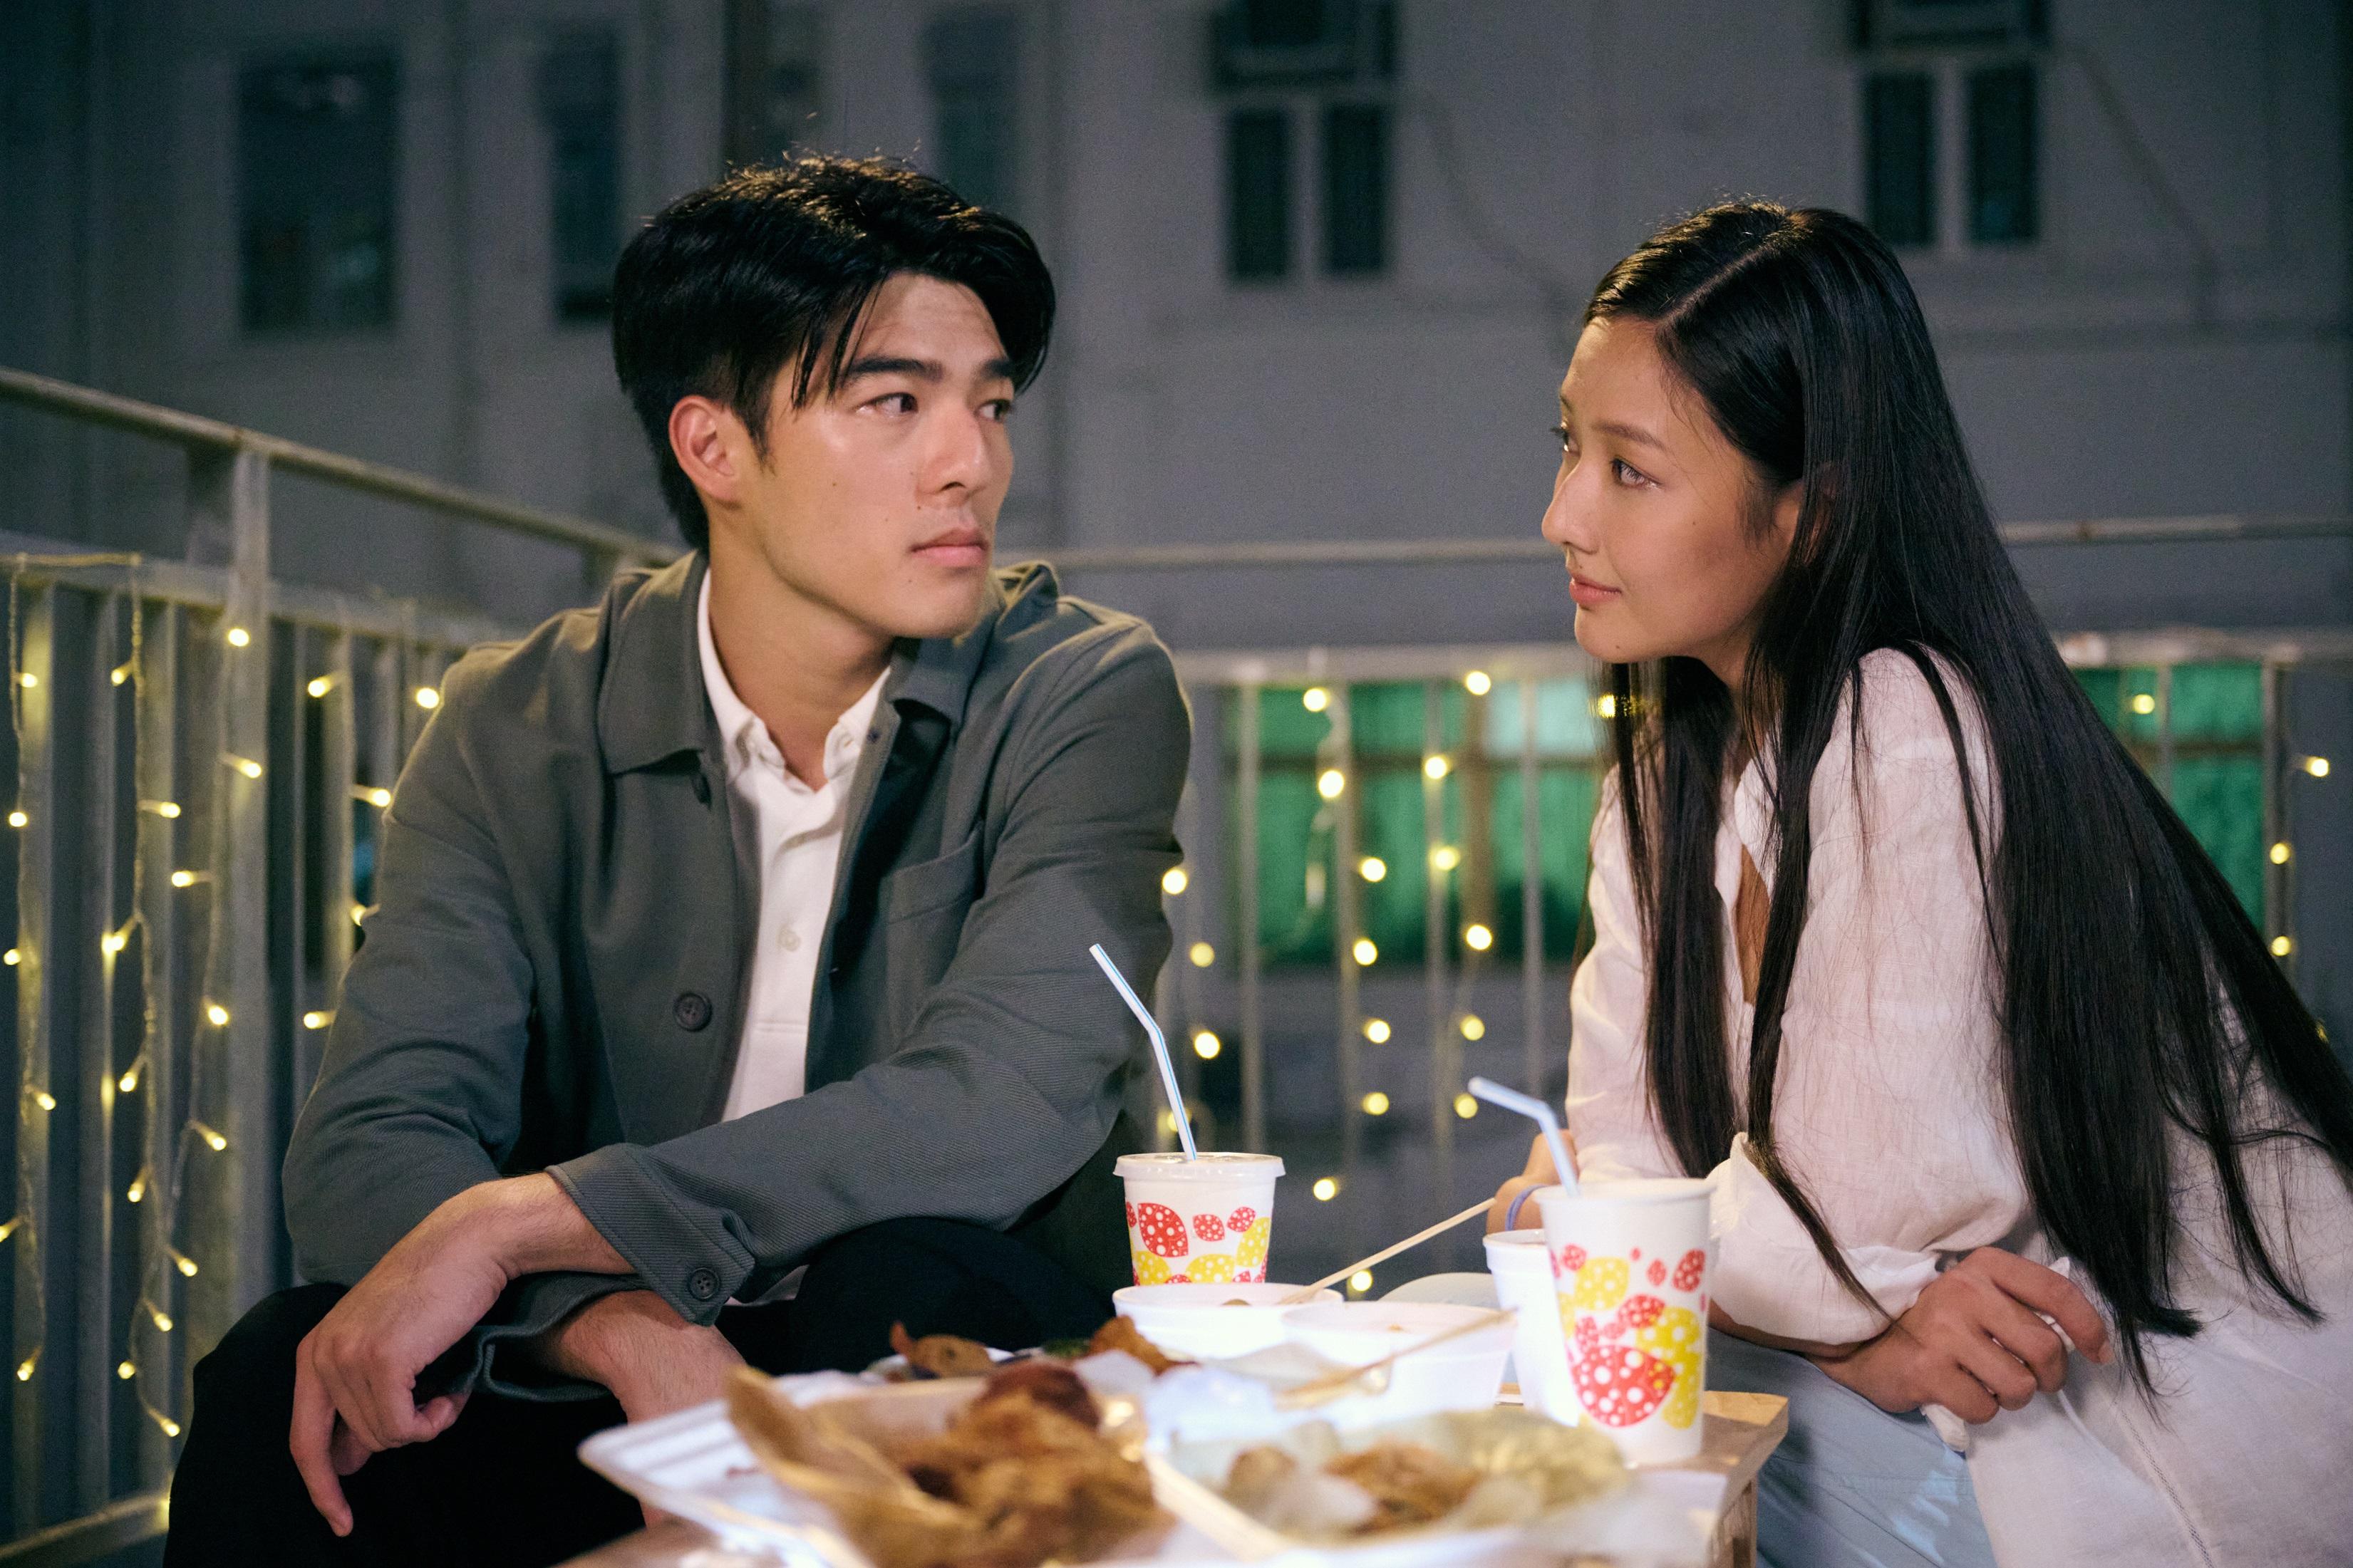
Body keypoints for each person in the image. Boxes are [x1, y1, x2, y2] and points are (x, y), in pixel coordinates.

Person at [165, 157, 1191, 1567]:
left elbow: (1003, 1099)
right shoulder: (515, 720)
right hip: (600, 1383)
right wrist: (610, 1323)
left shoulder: (1081, 691)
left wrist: (533, 1218)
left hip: (944, 1370)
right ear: (713, 449)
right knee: (282, 1369)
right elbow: (373, 1135)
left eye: (991, 403)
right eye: (895, 403)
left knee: (891, 1278)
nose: (972, 461)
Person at [1488, 202, 2353, 1565]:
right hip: (1960, 1416)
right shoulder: (1662, 789)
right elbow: (1636, 1167)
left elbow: (1831, 1213)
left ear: (1813, 512)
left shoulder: (1906, 728)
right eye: (1566, 448)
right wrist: (1855, 1325)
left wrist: (1661, 1242)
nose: (1560, 516)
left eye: (1629, 471)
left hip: (2150, 1431)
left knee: (1586, 1438)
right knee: (1574, 1406)